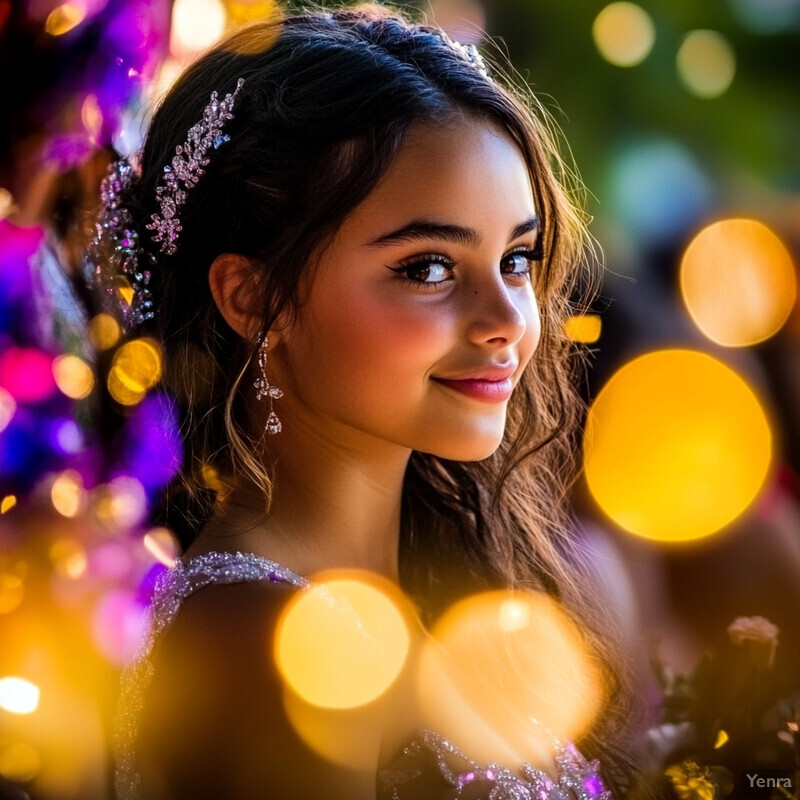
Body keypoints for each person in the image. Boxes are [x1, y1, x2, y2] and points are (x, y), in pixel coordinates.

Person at [99, 5, 641, 798]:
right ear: (254, 298)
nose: (507, 323)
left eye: (518, 259)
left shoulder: (409, 592)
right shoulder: (267, 646)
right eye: (428, 268)